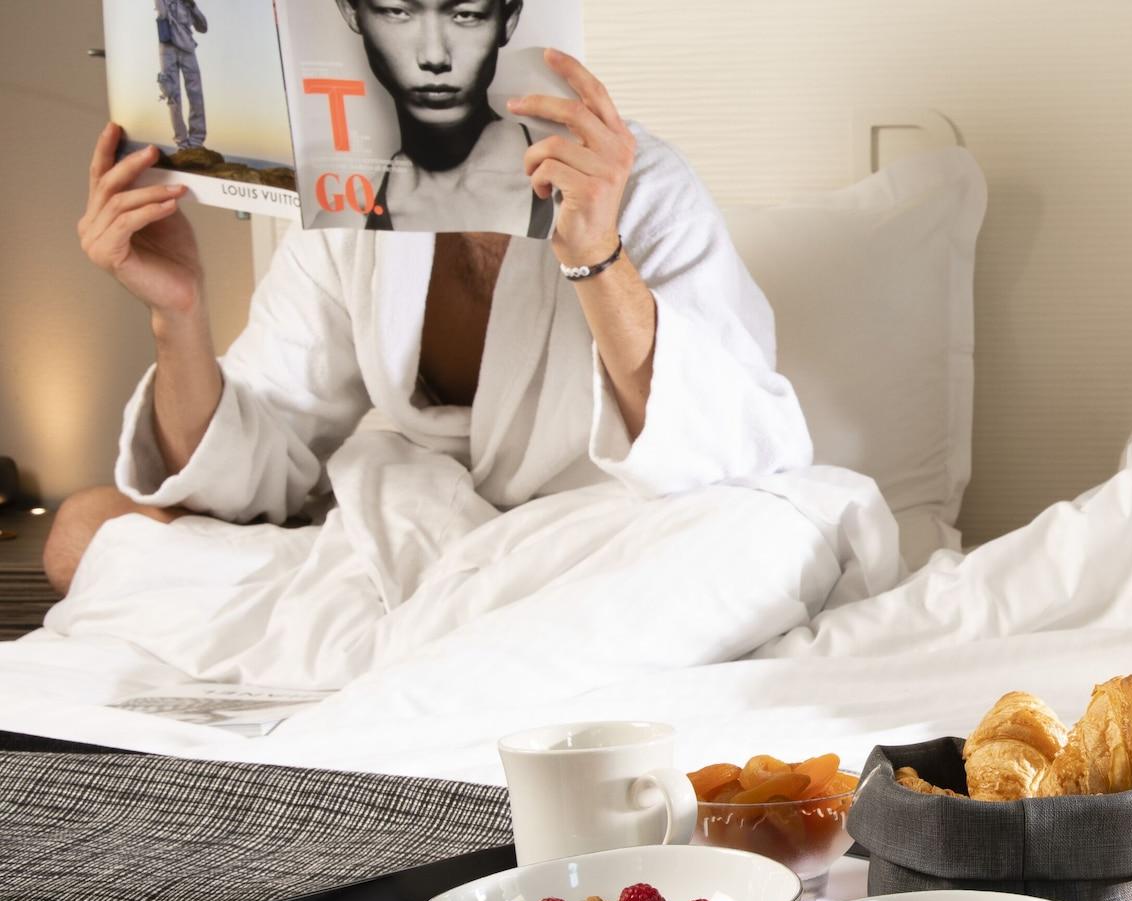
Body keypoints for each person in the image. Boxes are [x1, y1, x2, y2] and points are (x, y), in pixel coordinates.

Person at [51, 48, 815, 686]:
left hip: (594, 548)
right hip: (417, 545)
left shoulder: (639, 186)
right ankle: (448, 657)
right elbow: (241, 475)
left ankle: (414, 656)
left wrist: (594, 251)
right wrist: (177, 313)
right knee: (82, 529)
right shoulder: (355, 195)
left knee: (763, 542)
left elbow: (724, 452)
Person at [336, 0, 552, 237]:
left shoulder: (567, 179)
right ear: (350, 10)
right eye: (397, 12)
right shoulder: (344, 220)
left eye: (466, 15)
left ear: (508, 20)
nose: (435, 57)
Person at [155, 0, 207, 152]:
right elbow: (162, 12)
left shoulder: (188, 4)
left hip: (187, 49)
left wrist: (192, 6)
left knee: (196, 95)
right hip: (167, 49)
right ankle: (182, 143)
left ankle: (196, 141)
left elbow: (203, 27)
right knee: (172, 97)